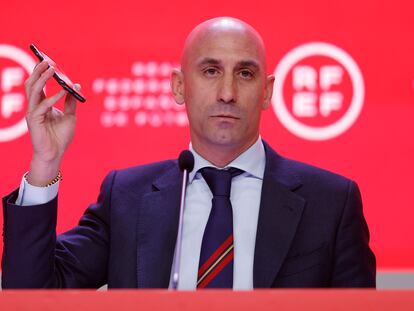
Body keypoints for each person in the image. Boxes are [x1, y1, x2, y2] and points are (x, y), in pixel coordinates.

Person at [1, 17, 376, 289]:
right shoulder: (127, 197)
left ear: (267, 91)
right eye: (210, 71)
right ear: (179, 87)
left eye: (245, 74)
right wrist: (45, 163)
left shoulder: (331, 203)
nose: (227, 92)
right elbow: (31, 294)